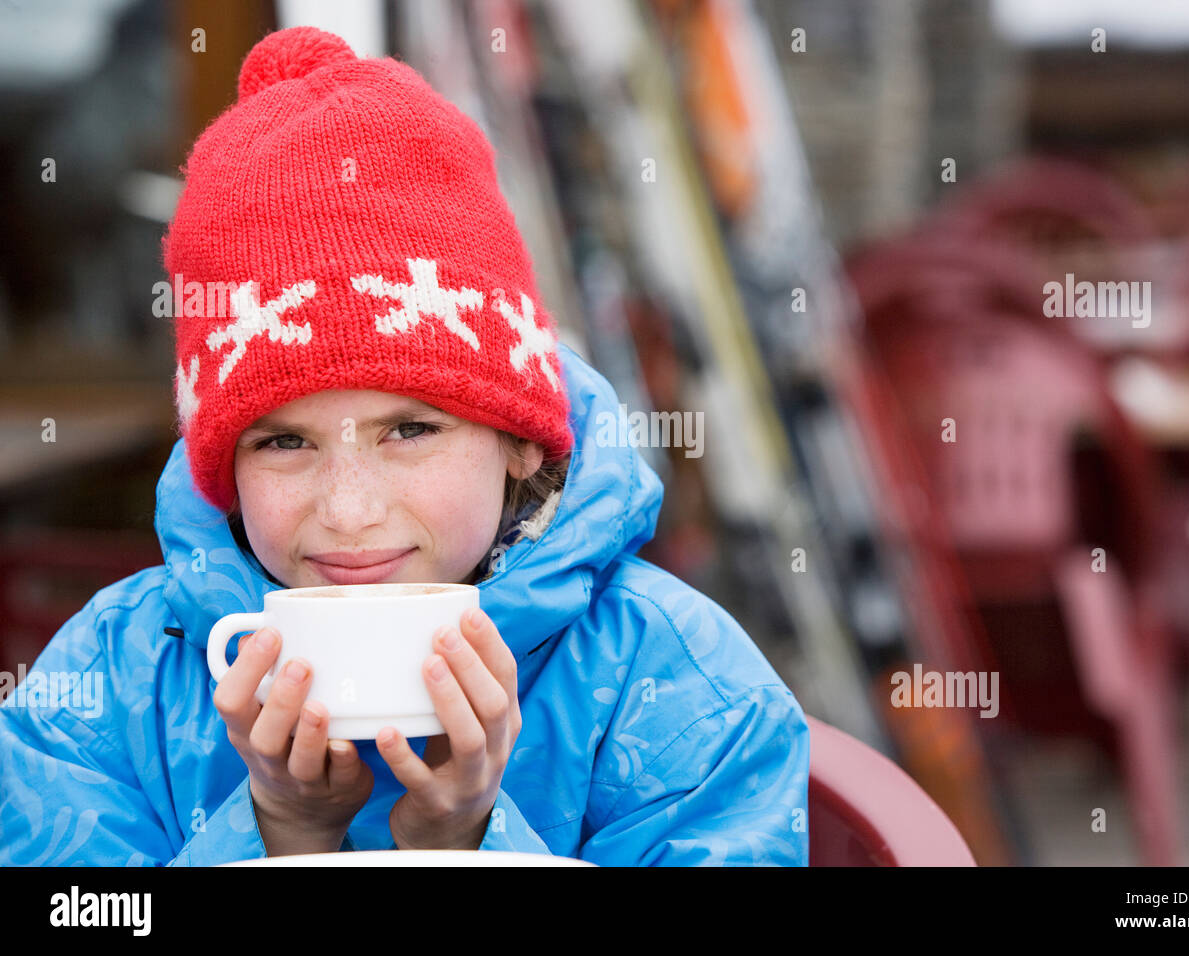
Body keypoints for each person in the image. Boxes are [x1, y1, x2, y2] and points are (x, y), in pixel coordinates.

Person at [0, 26, 809, 866]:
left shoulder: (683, 691)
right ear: (225, 472)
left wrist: (469, 842)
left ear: (520, 441)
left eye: (411, 430)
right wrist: (278, 831)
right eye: (283, 443)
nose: (350, 510)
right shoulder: (105, 689)